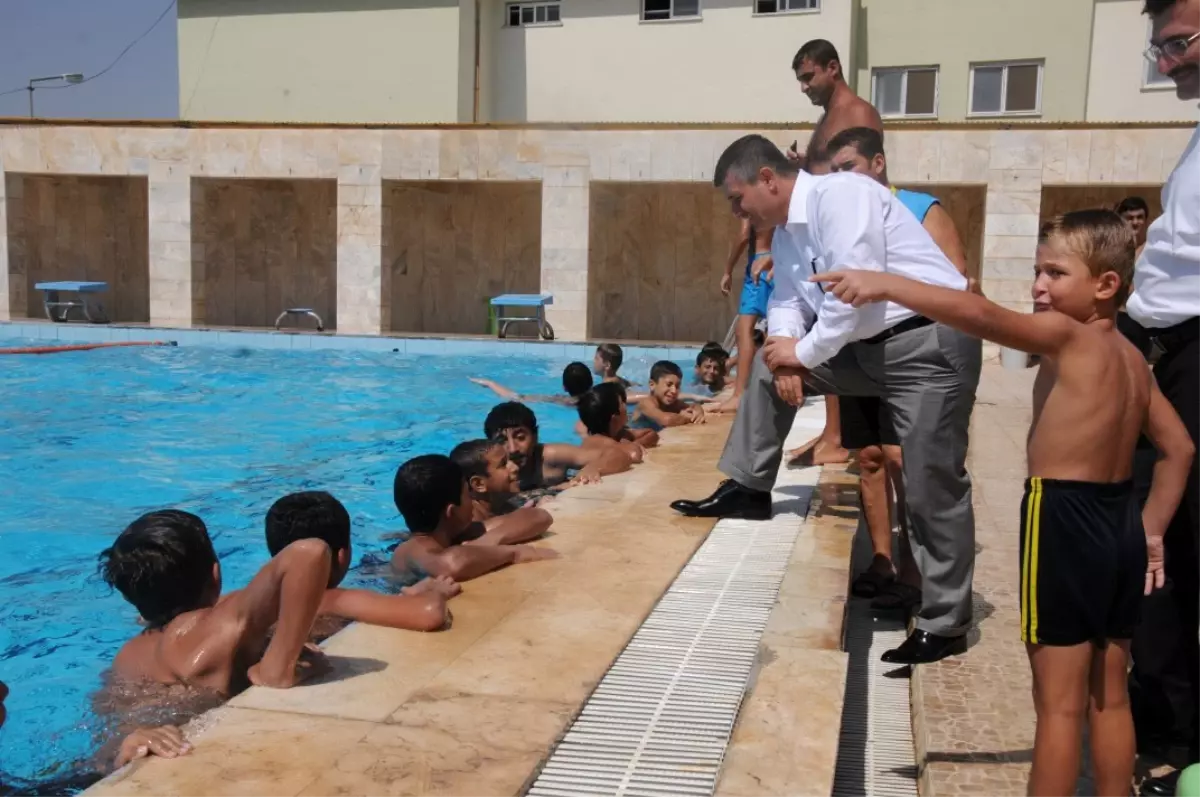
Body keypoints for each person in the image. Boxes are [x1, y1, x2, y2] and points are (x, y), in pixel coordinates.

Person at [815, 209, 1194, 797]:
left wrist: (887, 284)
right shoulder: (1131, 361)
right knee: (1110, 694)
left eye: (1055, 273)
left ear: (1105, 286)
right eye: (1038, 271)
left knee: (1059, 706)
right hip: (1121, 520)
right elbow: (1180, 449)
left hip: (1063, 517)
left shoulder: (1068, 336)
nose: (1039, 285)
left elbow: (984, 317)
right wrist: (1150, 532)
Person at [671, 135, 980, 665]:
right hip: (864, 350)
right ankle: (748, 487)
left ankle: (946, 619)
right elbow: (790, 299)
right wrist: (785, 352)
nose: (736, 211)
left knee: (932, 478)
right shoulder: (787, 231)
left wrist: (802, 356)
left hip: (926, 344)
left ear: (768, 180)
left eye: (736, 197)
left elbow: (850, 304)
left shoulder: (843, 197)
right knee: (770, 374)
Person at [815, 125, 976, 609]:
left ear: (878, 164)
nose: (842, 180)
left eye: (850, 168)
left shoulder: (920, 208)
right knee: (867, 458)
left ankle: (913, 570)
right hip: (861, 349)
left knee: (904, 459)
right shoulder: (840, 211)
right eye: (835, 171)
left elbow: (954, 283)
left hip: (910, 351)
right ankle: (881, 558)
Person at [1123, 3, 1200, 794]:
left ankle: (1175, 737)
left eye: (1179, 42)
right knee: (1159, 547)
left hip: (1192, 350)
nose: (1167, 62)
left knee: (1171, 547)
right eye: (1160, 46)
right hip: (1168, 349)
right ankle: (1168, 727)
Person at [783, 38, 884, 468]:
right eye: (800, 80)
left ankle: (837, 437)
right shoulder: (827, 119)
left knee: (838, 328)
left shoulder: (856, 113)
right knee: (827, 328)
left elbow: (863, 177)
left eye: (809, 76)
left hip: (848, 237)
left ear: (833, 67)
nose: (804, 87)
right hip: (821, 238)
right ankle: (832, 433)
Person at [99, 509, 331, 695]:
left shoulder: (127, 657)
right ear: (216, 574)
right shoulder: (222, 623)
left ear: (128, 596)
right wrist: (280, 658)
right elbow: (310, 552)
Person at [264, 491, 457, 632]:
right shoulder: (333, 599)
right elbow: (429, 614)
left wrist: (406, 597)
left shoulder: (264, 601)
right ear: (342, 555)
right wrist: (436, 593)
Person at [390, 454, 558, 582]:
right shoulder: (412, 550)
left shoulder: (453, 533)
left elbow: (538, 516)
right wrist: (513, 553)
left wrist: (488, 541)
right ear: (452, 511)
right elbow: (451, 564)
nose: (472, 500)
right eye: (467, 494)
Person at [483, 401, 630, 492]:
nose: (513, 448)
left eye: (521, 437)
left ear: (535, 436)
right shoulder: (488, 473)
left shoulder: (550, 457)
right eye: (502, 440)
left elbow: (618, 454)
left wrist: (595, 467)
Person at [716, 219, 775, 414]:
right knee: (773, 330)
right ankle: (774, 390)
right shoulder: (779, 199)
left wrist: (727, 270)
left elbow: (743, 236)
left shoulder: (753, 198)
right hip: (777, 261)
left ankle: (740, 394)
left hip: (759, 261)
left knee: (744, 331)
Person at [578, 382, 654, 459]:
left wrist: (632, 442)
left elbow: (651, 433)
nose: (626, 405)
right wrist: (627, 443)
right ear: (614, 416)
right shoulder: (599, 442)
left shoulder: (618, 433)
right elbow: (634, 454)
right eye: (622, 402)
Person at [450, 438, 521, 520]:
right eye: (503, 464)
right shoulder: (471, 519)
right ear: (479, 484)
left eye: (510, 460)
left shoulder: (501, 504)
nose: (515, 467)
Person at [469, 362, 592, 406]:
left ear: (564, 387)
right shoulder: (599, 399)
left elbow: (516, 397)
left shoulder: (558, 400)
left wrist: (491, 383)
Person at [634, 361, 706, 430]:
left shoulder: (673, 404)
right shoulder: (646, 404)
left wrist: (698, 411)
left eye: (677, 386)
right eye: (669, 385)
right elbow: (666, 420)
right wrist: (687, 417)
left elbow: (693, 406)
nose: (674, 391)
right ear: (652, 385)